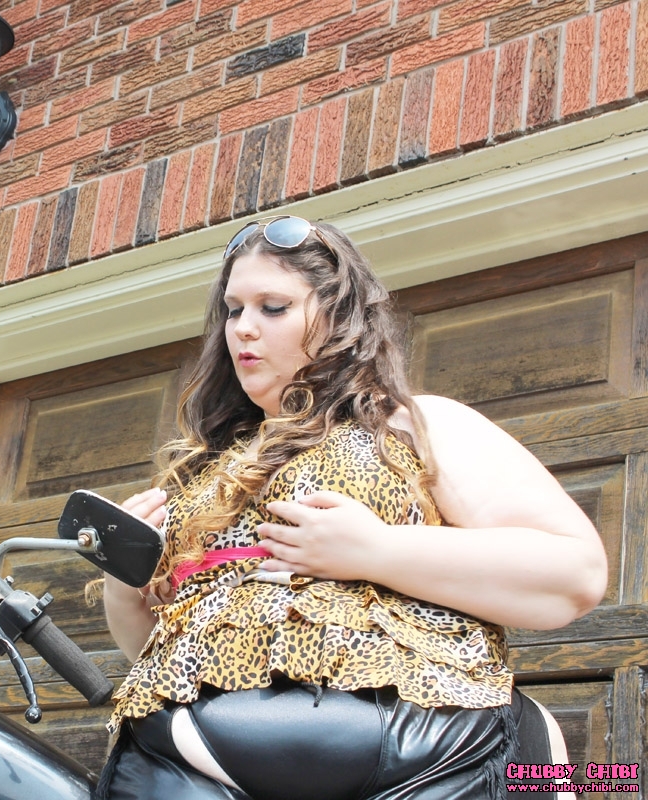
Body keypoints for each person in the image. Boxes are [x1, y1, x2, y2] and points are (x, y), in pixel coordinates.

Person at [97, 216, 606, 800]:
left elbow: (575, 575)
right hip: (189, 755)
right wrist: (124, 587)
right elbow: (160, 657)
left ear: (338, 316)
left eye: (273, 307)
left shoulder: (414, 424)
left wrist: (376, 551)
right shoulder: (202, 474)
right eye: (233, 310)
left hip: (423, 746)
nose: (244, 329)